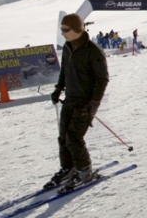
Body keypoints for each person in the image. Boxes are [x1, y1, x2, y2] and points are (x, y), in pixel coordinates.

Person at [46, 13, 108, 190]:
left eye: (66, 30)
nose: (63, 33)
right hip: (70, 99)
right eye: (62, 30)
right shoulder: (67, 47)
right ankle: (69, 168)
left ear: (77, 29)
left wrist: (92, 106)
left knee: (74, 138)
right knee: (63, 136)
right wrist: (59, 88)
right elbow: (65, 70)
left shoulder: (93, 51)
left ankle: (84, 170)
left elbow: (102, 80)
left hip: (85, 102)